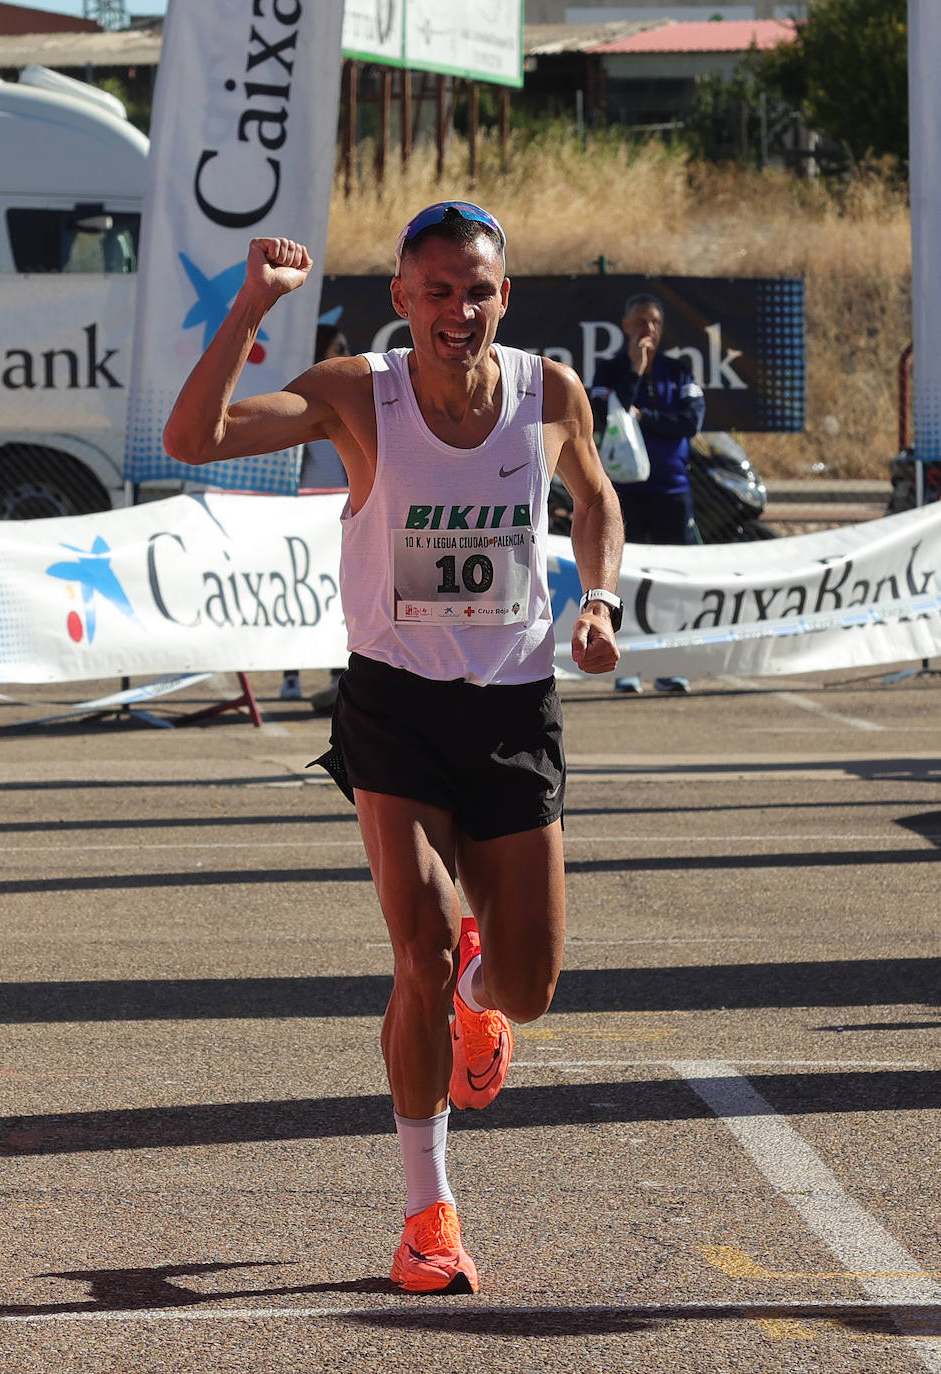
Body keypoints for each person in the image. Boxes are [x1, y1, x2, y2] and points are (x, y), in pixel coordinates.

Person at [163, 201, 625, 1295]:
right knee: (413, 948)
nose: (456, 311)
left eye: (477, 290)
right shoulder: (355, 394)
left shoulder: (546, 393)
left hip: (513, 707)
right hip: (395, 710)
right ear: (401, 300)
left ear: (503, 296)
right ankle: (428, 1216)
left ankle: (481, 1001)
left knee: (528, 987)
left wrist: (597, 601)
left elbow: (594, 497)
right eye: (435, 291)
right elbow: (192, 439)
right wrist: (251, 306)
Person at [591, 291, 705, 695]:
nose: (648, 330)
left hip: (673, 490)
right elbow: (608, 412)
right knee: (628, 582)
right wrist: (636, 374)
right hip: (625, 493)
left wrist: (647, 417)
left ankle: (671, 666)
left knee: (675, 582)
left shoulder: (679, 370)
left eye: (654, 322)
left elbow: (689, 422)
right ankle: (628, 667)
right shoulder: (609, 370)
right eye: (640, 322)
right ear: (625, 326)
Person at [280, 322, 352, 703]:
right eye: (337, 346)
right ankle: (290, 674)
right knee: (299, 592)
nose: (343, 351)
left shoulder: (350, 402)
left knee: (339, 596)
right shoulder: (303, 403)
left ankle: (337, 674)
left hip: (342, 516)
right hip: (304, 516)